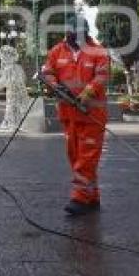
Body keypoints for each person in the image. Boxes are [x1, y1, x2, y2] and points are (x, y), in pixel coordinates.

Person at [41, 13, 110, 216]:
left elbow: (102, 75)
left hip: (91, 115)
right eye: (72, 32)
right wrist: (55, 87)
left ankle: (79, 197)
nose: (75, 36)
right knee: (75, 156)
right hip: (68, 114)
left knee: (86, 158)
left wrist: (87, 93)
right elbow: (48, 72)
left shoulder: (98, 52)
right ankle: (92, 195)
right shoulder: (56, 52)